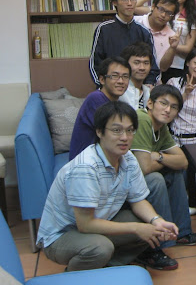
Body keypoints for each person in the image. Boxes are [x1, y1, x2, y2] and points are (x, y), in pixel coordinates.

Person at [37, 101, 179, 271]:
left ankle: (105, 267)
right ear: (99, 132)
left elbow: (138, 200)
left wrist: (157, 221)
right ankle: (74, 276)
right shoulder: (86, 167)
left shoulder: (128, 158)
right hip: (62, 235)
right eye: (116, 130)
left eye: (130, 130)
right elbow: (85, 224)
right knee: (101, 247)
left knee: (152, 228)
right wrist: (136, 228)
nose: (125, 137)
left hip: (99, 222)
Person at [131, 84, 196, 271]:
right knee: (157, 179)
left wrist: (159, 156)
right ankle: (155, 248)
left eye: (173, 107)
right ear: (150, 103)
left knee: (175, 172)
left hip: (140, 177)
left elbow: (183, 162)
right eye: (163, 103)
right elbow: (144, 168)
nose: (168, 110)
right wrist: (164, 160)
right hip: (123, 181)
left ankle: (182, 232)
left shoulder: (161, 127)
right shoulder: (142, 119)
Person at [89, 0, 159, 86]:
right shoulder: (104, 29)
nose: (129, 3)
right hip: (110, 88)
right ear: (114, 2)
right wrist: (103, 87)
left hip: (139, 89)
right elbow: (95, 63)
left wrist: (149, 84)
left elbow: (152, 64)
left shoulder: (144, 31)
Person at [69, 57, 131, 160]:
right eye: (115, 76)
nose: (121, 81)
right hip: (86, 163)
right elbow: (116, 133)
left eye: (125, 77)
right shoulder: (96, 99)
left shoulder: (116, 101)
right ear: (102, 80)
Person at [167, 49, 196, 145]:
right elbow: (169, 110)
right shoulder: (173, 82)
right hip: (173, 139)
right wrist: (185, 93)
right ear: (188, 62)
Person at [133, 0, 180, 73]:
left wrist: (172, 48)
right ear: (153, 6)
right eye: (161, 9)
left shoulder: (171, 36)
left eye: (169, 13)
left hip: (153, 77)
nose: (163, 15)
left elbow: (163, 68)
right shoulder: (135, 22)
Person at [119, 42, 152, 110]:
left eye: (146, 63)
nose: (142, 68)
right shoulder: (119, 90)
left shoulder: (149, 92)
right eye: (136, 63)